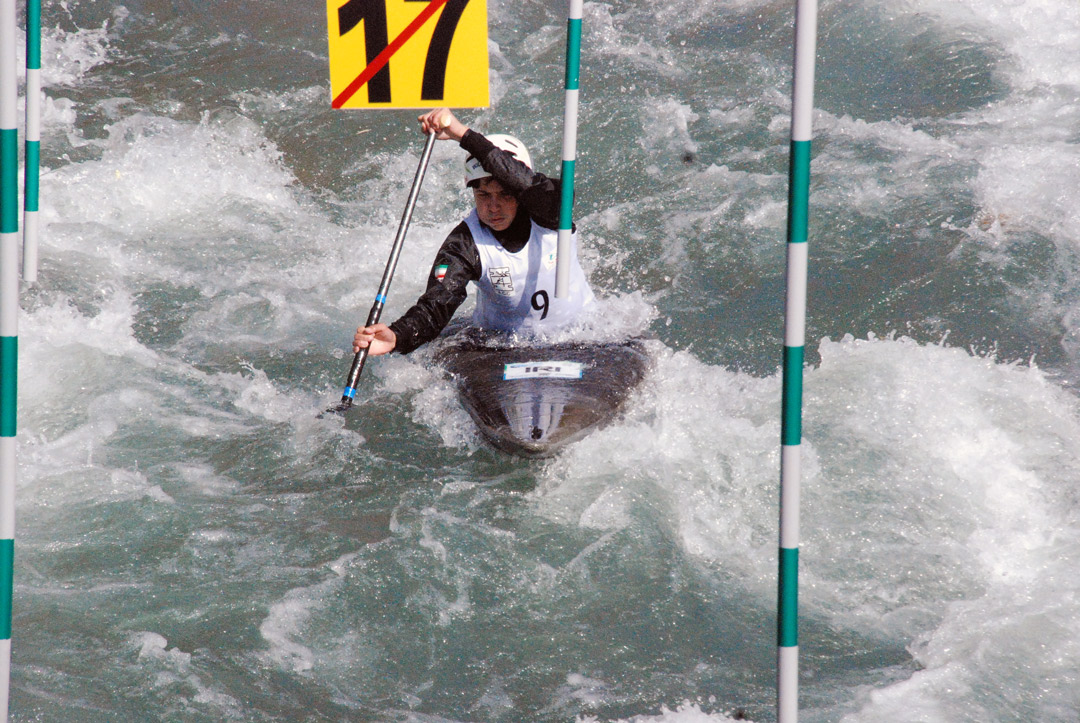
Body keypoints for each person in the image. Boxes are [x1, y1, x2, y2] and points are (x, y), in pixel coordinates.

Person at [352, 108, 594, 357]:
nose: (493, 207)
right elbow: (436, 305)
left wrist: (462, 135)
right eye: (483, 195)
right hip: (501, 344)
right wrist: (396, 337)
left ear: (521, 193)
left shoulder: (552, 212)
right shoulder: (465, 243)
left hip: (580, 333)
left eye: (505, 195)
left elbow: (527, 183)